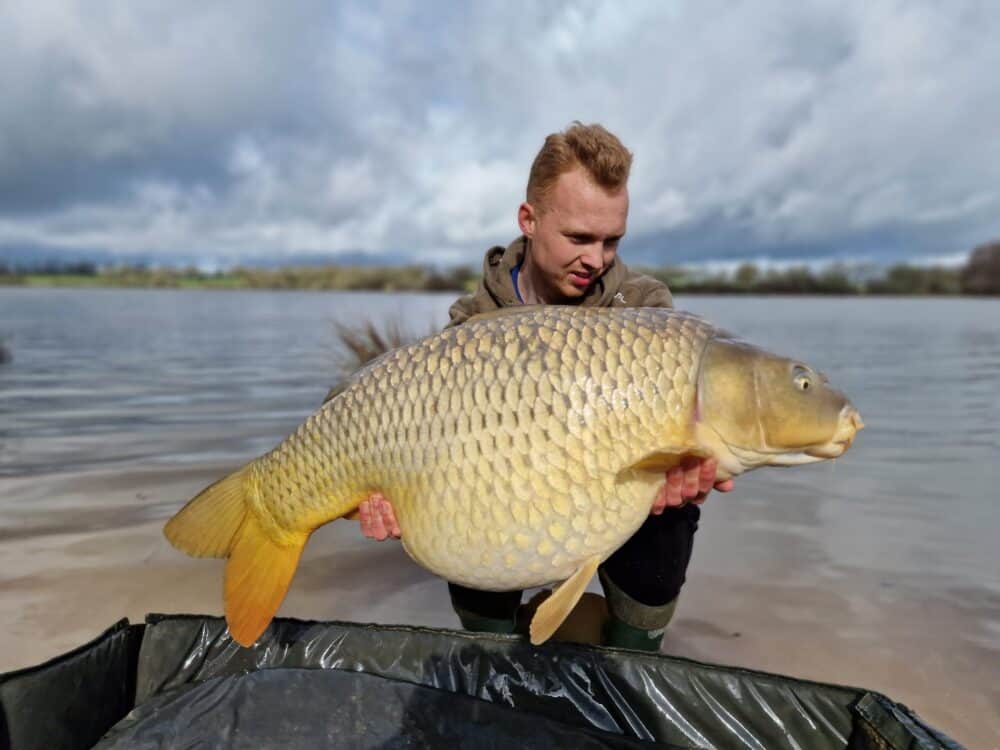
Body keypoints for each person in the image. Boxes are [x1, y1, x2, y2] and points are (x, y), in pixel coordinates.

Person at [355, 122, 734, 651]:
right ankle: (496, 654)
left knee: (670, 516)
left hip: (612, 489)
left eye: (611, 241)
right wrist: (385, 497)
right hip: (506, 488)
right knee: (458, 501)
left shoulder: (644, 309)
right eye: (579, 238)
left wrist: (687, 467)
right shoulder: (473, 321)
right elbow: (429, 451)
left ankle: (634, 655)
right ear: (528, 220)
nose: (597, 260)